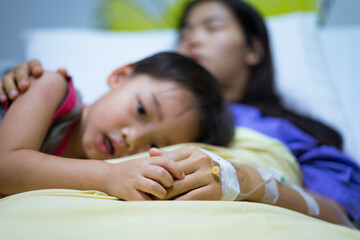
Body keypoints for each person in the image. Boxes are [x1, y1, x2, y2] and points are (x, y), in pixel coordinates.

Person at [1, 0, 358, 227]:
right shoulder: (54, 89)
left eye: (212, 26)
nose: (192, 40)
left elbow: (345, 214)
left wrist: (248, 182)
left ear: (253, 48)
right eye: (184, 32)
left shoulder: (285, 130)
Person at [0, 52, 234, 201]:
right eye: (141, 110)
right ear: (121, 76)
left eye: (153, 145)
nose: (132, 139)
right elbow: (5, 166)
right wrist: (108, 175)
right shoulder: (51, 86)